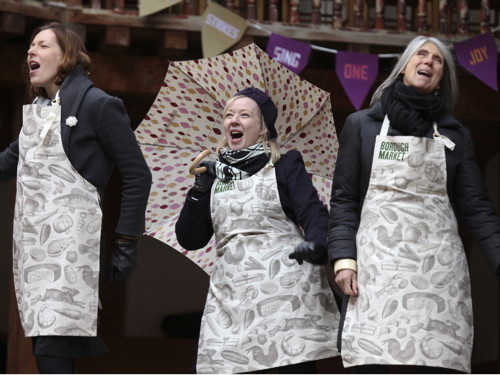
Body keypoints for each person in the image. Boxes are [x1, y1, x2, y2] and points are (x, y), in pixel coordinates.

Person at [327, 35, 500, 373]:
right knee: (375, 362)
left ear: (441, 78)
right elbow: (344, 200)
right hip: (376, 274)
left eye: (439, 60)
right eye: (422, 54)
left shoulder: (456, 134)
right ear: (404, 66)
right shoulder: (362, 125)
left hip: (437, 275)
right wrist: (343, 259)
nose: (430, 61)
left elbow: (477, 208)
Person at [0, 22, 152, 373]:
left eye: (42, 45)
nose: (30, 51)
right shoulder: (36, 113)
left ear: (66, 56)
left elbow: (137, 174)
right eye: (29, 47)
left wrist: (126, 240)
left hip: (72, 251)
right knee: (45, 349)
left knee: (52, 350)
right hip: (35, 252)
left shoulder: (98, 104)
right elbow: (7, 164)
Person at [175, 87, 340, 374]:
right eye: (229, 115)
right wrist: (199, 191)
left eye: (244, 115)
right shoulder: (213, 173)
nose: (234, 120)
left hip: (285, 292)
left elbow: (312, 212)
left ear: (263, 127)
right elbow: (189, 239)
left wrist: (316, 244)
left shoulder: (284, 165)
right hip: (231, 295)